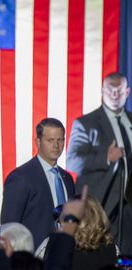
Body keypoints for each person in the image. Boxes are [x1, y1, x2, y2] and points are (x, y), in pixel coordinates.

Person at [67, 72, 132, 254]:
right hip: (99, 208)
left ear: (127, 92)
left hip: (128, 210)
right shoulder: (86, 123)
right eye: (110, 91)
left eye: (118, 91)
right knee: (100, 257)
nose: (114, 95)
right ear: (102, 91)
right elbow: (72, 161)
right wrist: (105, 157)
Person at [1, 118, 75, 248]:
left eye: (60, 140)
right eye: (50, 140)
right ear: (38, 142)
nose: (56, 146)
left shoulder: (67, 179)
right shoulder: (20, 178)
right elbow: (9, 227)